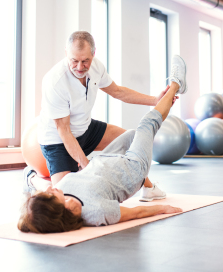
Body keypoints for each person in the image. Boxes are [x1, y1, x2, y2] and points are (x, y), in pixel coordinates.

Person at [18, 55, 188, 233]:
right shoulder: (97, 212)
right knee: (147, 124)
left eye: (85, 60)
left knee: (131, 135)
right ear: (59, 208)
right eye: (51, 195)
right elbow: (135, 213)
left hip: (104, 160)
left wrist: (33, 181)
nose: (52, 189)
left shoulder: (60, 190)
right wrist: (162, 209)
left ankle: (28, 178)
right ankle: (176, 85)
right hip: (133, 169)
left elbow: (118, 92)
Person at [36, 31, 177, 202]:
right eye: (74, 60)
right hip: (58, 141)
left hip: (85, 128)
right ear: (66, 53)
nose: (80, 67)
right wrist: (88, 170)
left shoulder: (97, 68)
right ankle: (32, 180)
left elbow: (118, 92)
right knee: (69, 199)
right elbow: (64, 131)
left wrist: (155, 100)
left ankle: (147, 188)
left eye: (85, 61)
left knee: (133, 141)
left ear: (93, 54)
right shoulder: (55, 81)